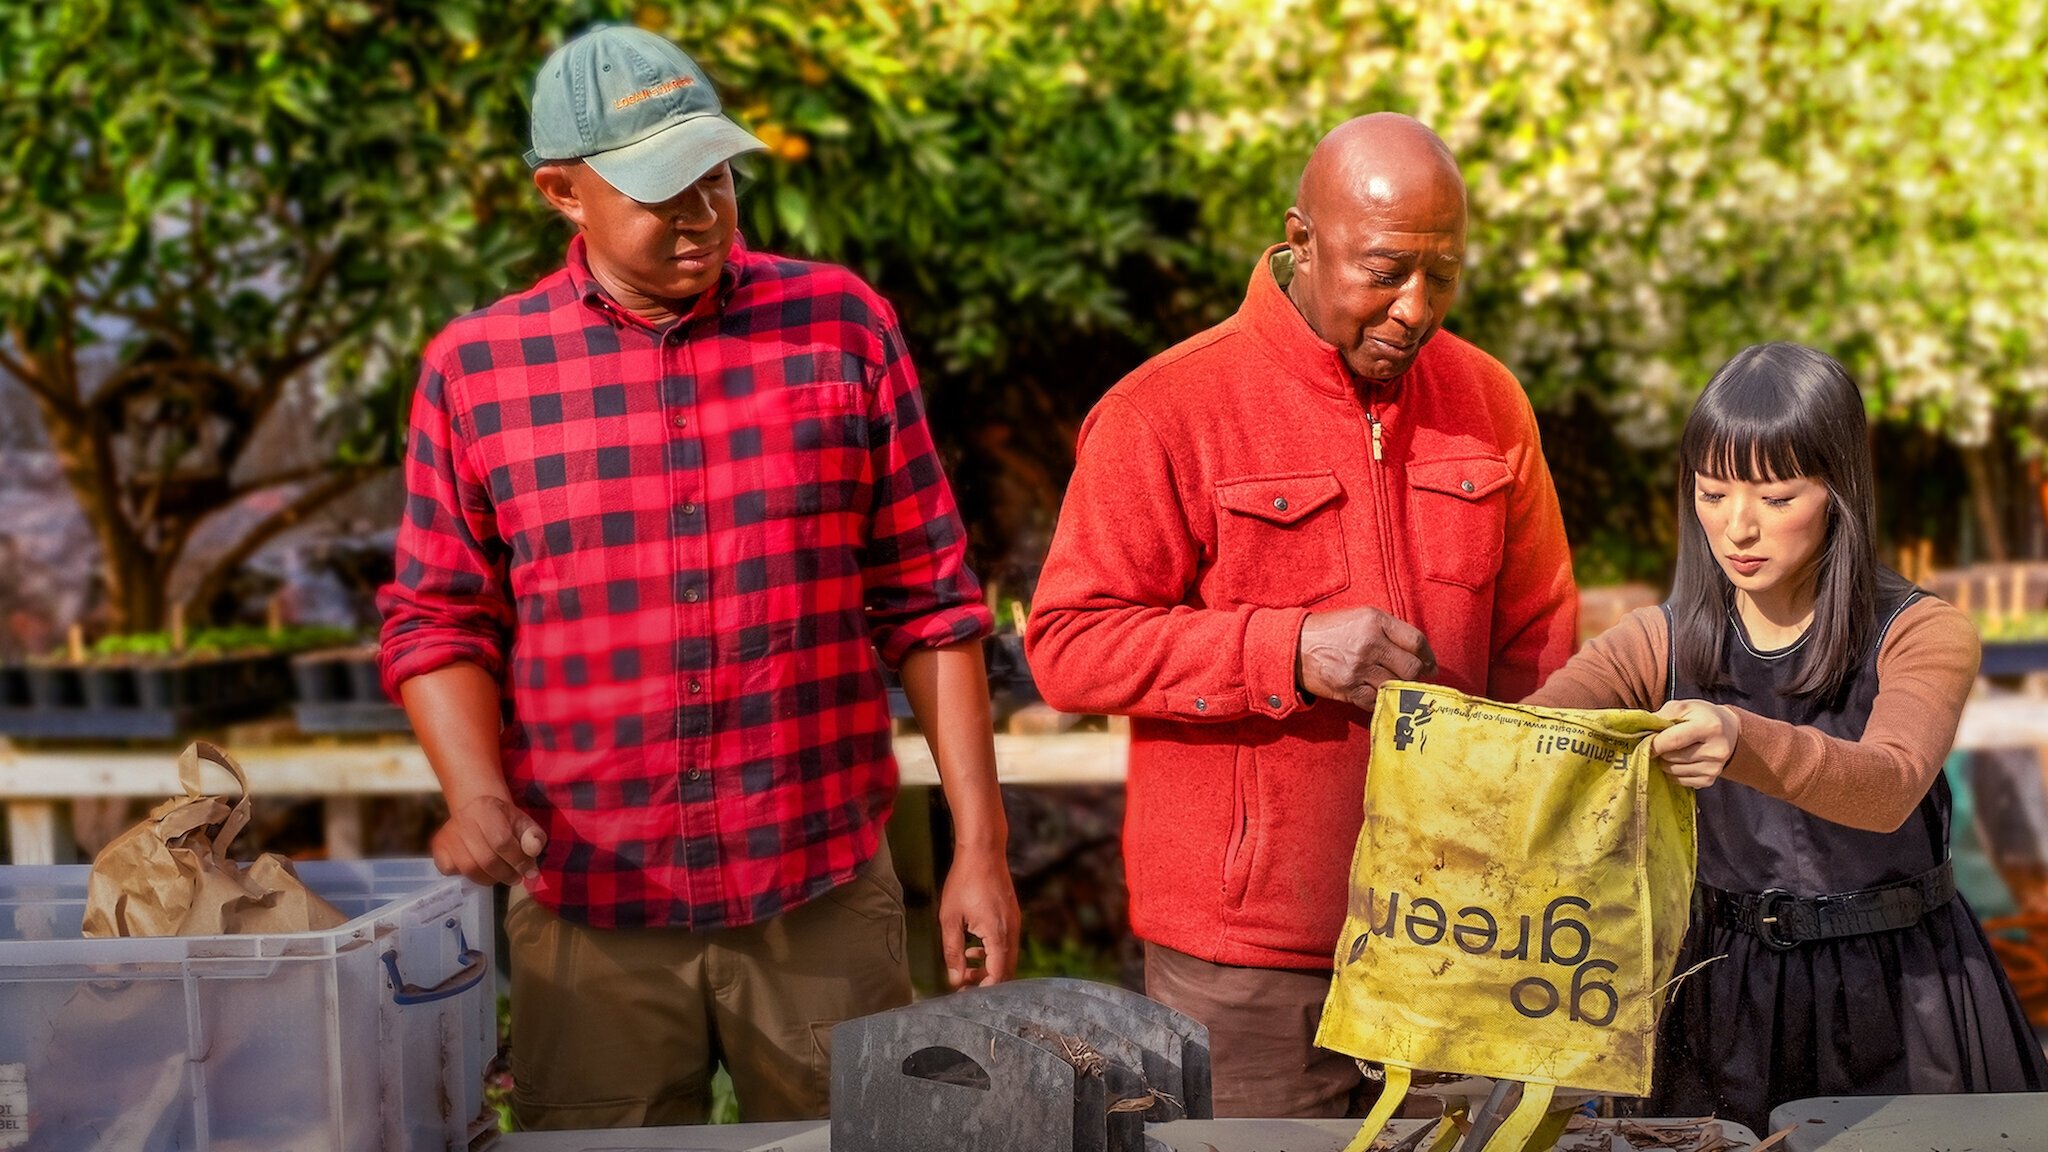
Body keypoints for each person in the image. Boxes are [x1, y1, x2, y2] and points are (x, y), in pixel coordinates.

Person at [376, 24, 1020, 1130]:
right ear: (563, 193)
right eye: (660, 189)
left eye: (715, 175)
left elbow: (929, 599)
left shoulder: (840, 325)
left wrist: (981, 849)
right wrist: (476, 794)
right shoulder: (478, 370)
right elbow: (438, 617)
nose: (702, 212)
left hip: (818, 887)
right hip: (591, 907)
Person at [1025, 113, 1578, 1117]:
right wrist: (1288, 649)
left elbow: (1537, 640)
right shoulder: (1166, 410)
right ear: (1300, 240)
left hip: (1455, 937)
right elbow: (1068, 645)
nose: (1414, 308)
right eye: (1385, 271)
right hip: (1248, 972)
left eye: (1443, 275)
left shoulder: (1489, 401)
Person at [1525, 342, 2048, 1132]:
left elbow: (1888, 785)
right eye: (1712, 492)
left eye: (1776, 497)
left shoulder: (1922, 632)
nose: (1737, 527)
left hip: (1903, 996)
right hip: (1720, 999)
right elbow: (1528, 740)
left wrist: (1741, 740)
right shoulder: (1657, 641)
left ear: (1839, 493)